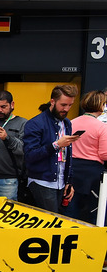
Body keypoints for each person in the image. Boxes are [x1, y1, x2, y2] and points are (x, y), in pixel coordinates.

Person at [23, 84, 78, 213]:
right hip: (42, 180)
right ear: (52, 101)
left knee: (56, 219)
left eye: (70, 105)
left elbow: (68, 154)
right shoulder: (35, 123)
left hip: (60, 181)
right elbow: (30, 155)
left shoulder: (67, 123)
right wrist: (57, 144)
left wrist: (69, 181)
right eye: (63, 105)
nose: (66, 109)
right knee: (51, 220)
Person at [68, 90, 107, 222]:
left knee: (71, 208)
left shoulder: (71, 123)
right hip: (92, 173)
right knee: (93, 210)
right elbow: (104, 154)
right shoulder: (102, 127)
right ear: (101, 105)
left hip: (71, 168)